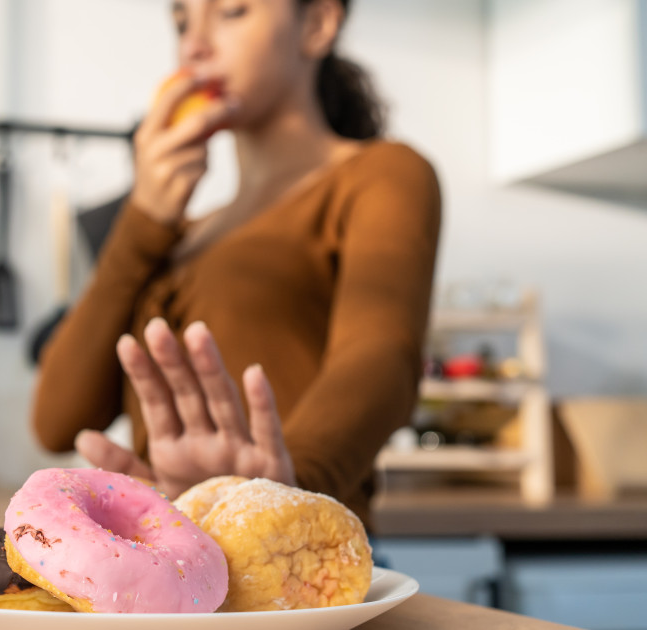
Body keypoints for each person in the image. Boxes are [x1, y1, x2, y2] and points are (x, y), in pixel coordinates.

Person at [31, 0, 441, 530]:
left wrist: (275, 494)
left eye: (231, 11)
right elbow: (56, 421)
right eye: (181, 21)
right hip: (176, 572)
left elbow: (382, 359)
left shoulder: (381, 174)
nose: (195, 44)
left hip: (301, 568)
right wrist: (141, 220)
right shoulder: (174, 233)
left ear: (317, 24)